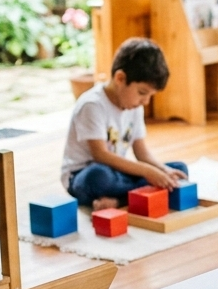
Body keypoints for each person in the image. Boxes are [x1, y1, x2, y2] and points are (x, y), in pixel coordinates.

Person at [62, 38, 188, 209]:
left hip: (118, 173)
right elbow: (101, 155)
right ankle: (134, 196)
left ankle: (118, 200)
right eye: (142, 93)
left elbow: (141, 153)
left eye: (150, 96)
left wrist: (162, 170)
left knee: (179, 171)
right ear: (120, 78)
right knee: (99, 176)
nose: (146, 101)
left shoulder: (135, 106)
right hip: (84, 176)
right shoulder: (92, 105)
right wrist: (147, 172)